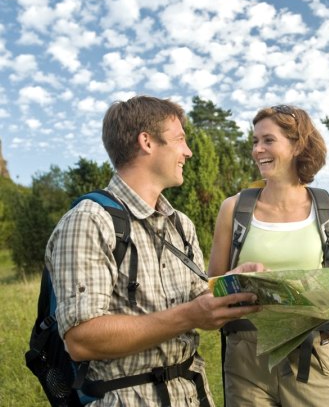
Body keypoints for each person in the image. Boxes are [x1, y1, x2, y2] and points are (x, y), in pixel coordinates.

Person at [45, 95, 263, 406]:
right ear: (147, 142)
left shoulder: (181, 224)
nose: (187, 151)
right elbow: (82, 339)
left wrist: (231, 283)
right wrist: (189, 316)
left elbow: (198, 300)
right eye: (180, 139)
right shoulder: (88, 221)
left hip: (192, 396)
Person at [208, 104, 329, 407]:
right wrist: (236, 282)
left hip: (312, 354)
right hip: (246, 356)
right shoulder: (234, 208)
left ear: (297, 145)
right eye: (254, 141)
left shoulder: (328, 209)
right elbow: (210, 286)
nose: (258, 150)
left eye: (268, 140)